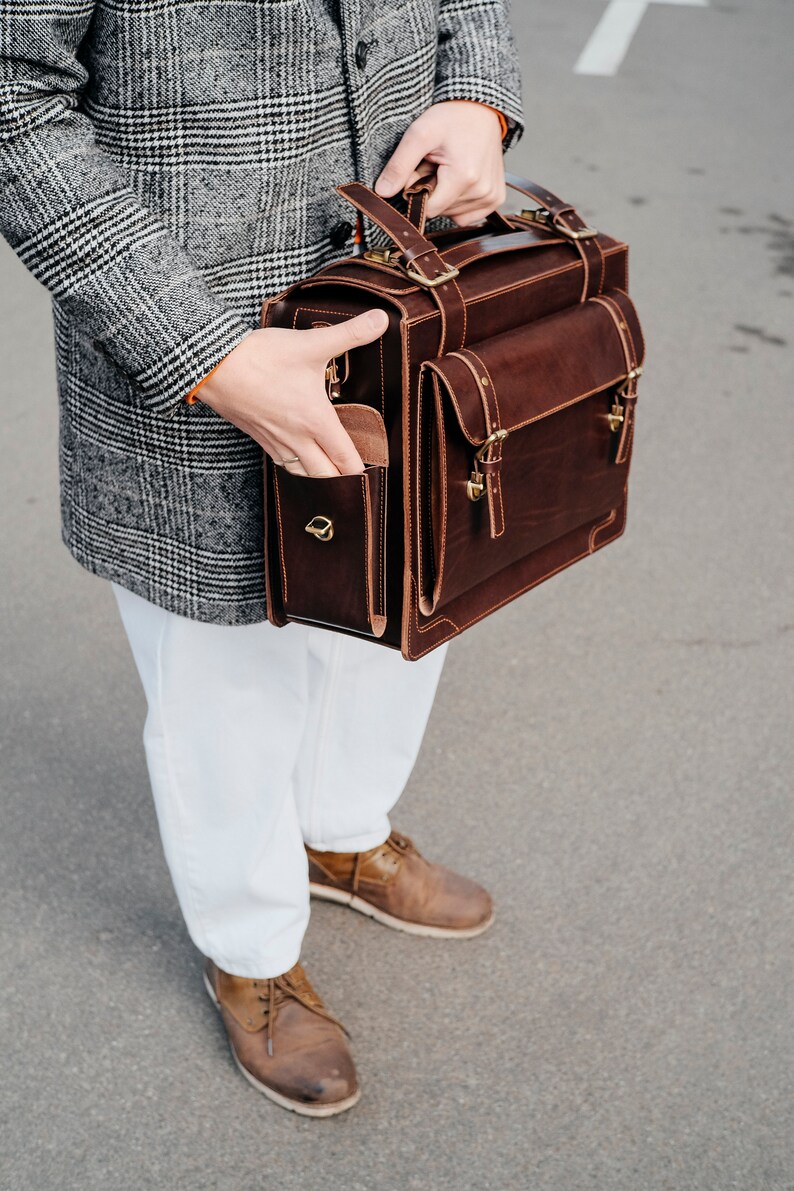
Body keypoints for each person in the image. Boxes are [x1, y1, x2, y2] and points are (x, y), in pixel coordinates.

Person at [0, 1, 524, 1116]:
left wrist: (478, 95)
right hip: (193, 330)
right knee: (222, 677)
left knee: (408, 597)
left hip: (404, 280)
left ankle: (340, 836)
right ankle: (248, 946)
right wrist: (196, 351)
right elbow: (10, 93)